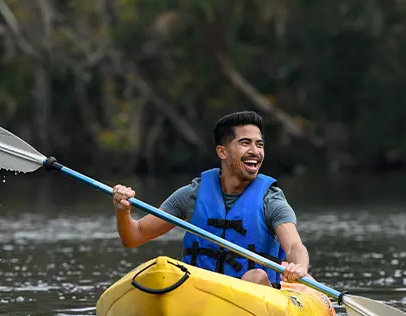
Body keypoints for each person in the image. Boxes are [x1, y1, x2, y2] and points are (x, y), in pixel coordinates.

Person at [112, 111, 309, 286]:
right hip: (202, 294)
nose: (255, 151)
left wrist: (298, 267)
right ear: (222, 152)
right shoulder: (191, 195)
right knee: (166, 268)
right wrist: (123, 211)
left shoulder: (271, 200)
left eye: (259, 144)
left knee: (255, 276)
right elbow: (134, 237)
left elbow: (294, 246)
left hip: (256, 298)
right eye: (245, 143)